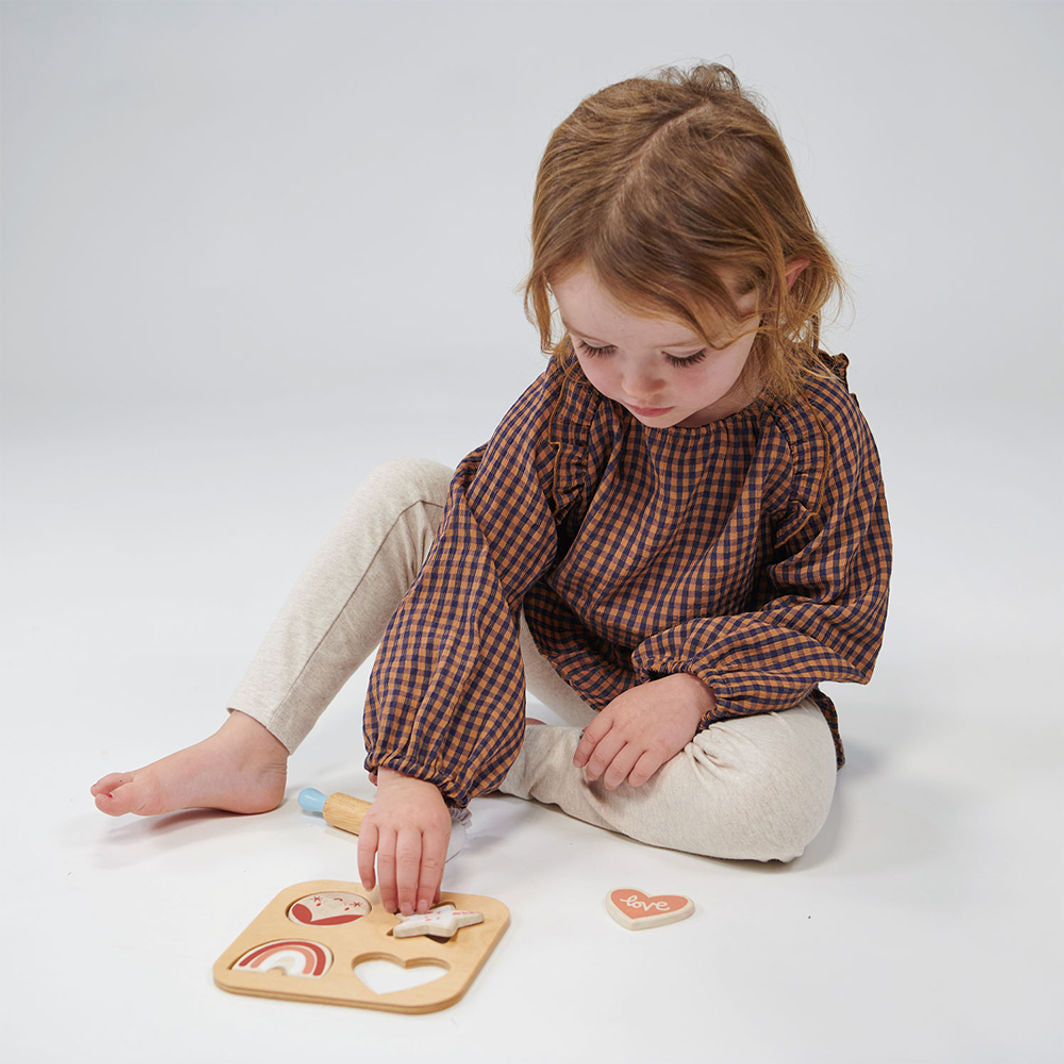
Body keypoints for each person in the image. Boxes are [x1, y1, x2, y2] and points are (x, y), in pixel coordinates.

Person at [92, 63, 891, 918]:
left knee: (777, 805)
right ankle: (251, 742)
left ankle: (517, 756)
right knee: (412, 495)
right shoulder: (576, 400)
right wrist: (413, 771)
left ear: (781, 288)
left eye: (684, 355)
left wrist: (693, 686)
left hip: (708, 695)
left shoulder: (814, 426)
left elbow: (837, 611)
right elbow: (478, 554)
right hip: (567, 642)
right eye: (597, 346)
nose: (636, 386)